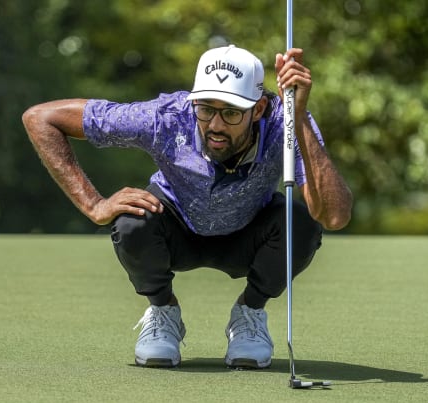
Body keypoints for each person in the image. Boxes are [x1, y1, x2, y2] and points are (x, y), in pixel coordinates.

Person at [22, 44, 352, 368]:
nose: (216, 125)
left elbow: (334, 215)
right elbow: (41, 119)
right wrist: (93, 204)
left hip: (249, 235)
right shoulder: (166, 117)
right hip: (176, 229)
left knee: (303, 222)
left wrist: (300, 118)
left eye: (232, 112)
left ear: (260, 109)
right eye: (206, 109)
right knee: (131, 221)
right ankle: (163, 312)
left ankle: (249, 315)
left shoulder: (286, 124)